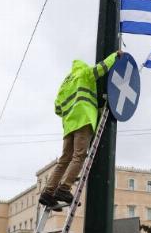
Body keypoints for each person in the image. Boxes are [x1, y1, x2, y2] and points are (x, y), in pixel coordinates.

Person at [39, 50, 121, 209]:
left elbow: (57, 108)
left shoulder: (65, 84)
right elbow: (101, 68)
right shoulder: (84, 73)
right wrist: (115, 56)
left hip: (69, 124)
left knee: (64, 160)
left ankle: (48, 192)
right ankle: (64, 188)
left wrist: (70, 110)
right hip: (83, 119)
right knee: (79, 155)